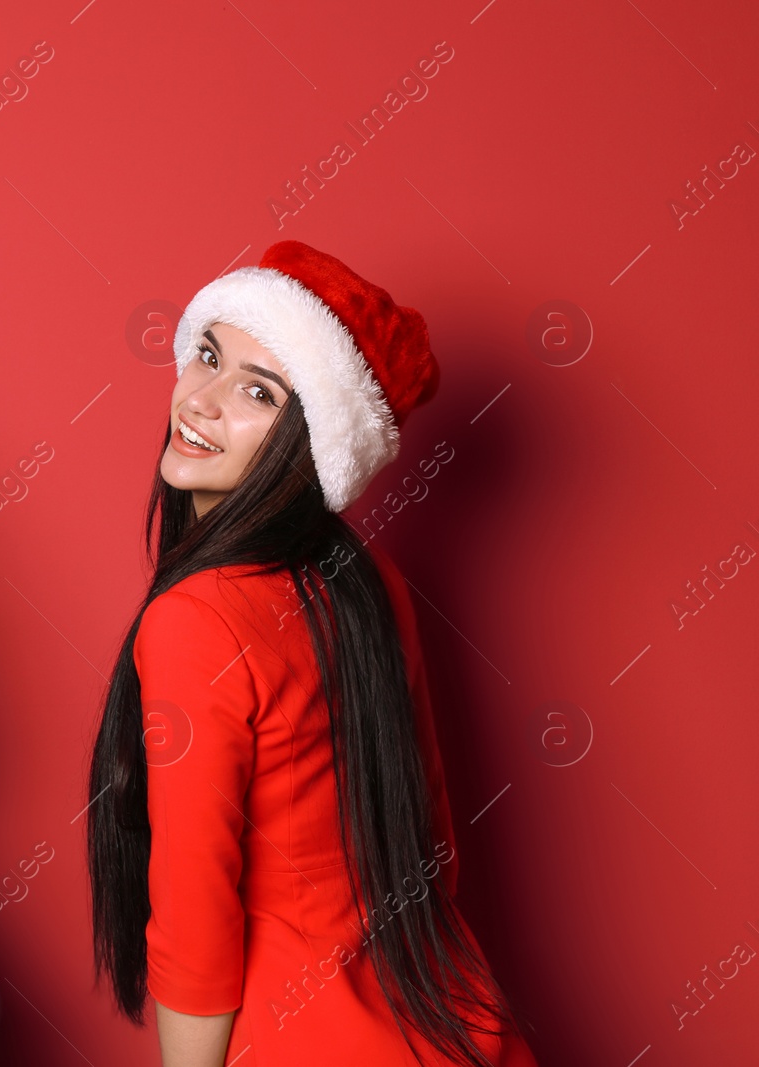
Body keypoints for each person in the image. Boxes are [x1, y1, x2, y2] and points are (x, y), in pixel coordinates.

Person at [86, 242, 540, 1067]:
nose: (203, 400)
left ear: (313, 443)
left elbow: (193, 915)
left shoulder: (194, 619)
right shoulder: (370, 581)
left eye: (258, 391)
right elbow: (432, 836)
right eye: (209, 357)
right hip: (450, 1024)